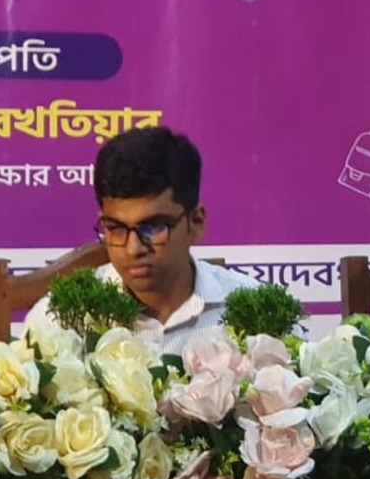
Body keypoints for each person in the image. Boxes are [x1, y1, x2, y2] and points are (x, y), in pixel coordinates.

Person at [25, 127, 260, 353]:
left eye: (153, 227)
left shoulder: (256, 313)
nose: (133, 249)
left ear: (195, 223)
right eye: (115, 228)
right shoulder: (57, 321)